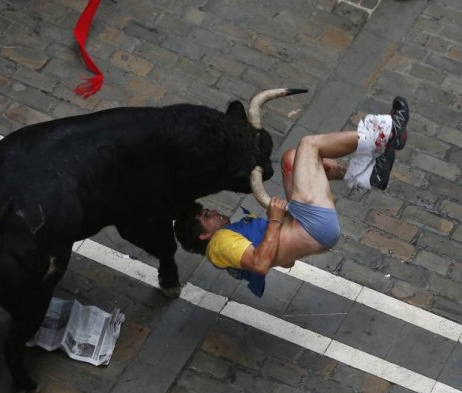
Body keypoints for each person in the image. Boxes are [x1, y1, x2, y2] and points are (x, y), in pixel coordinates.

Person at [174, 97, 409, 296]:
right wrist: (275, 220)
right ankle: (384, 135)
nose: (213, 211)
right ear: (204, 234)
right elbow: (260, 264)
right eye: (206, 215)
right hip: (313, 226)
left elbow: (286, 261)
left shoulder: (230, 240)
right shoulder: (219, 245)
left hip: (306, 227)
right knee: (309, 145)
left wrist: (283, 236)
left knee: (291, 160)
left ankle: (368, 176)